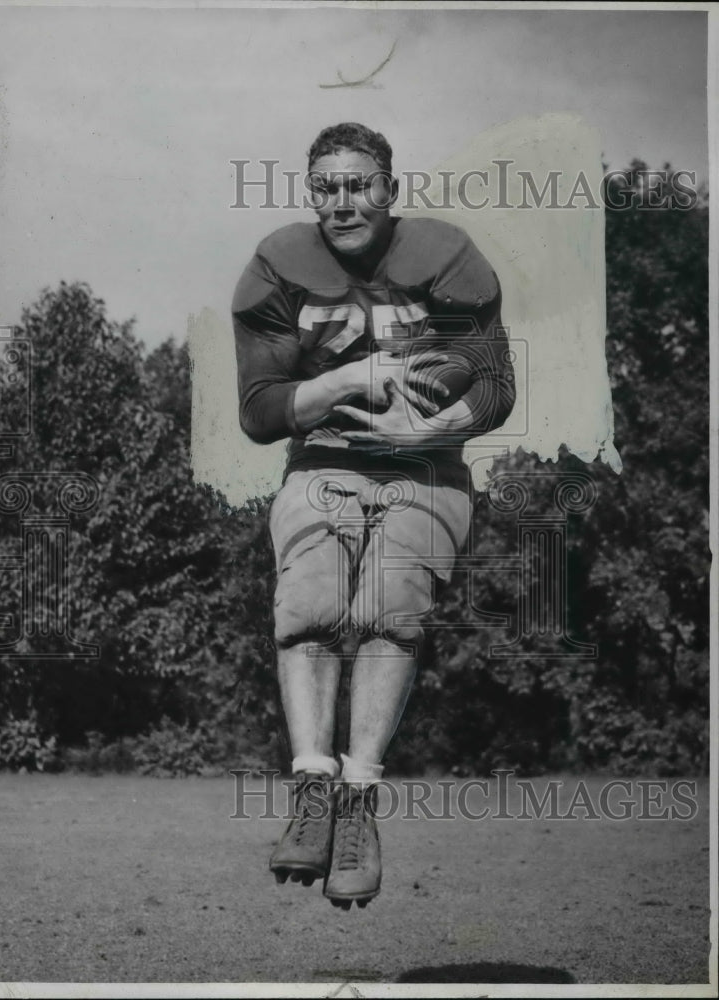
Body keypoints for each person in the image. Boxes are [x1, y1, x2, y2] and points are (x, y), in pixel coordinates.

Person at [231, 122, 515, 910]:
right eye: (326, 186)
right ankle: (314, 788)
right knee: (308, 609)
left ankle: (358, 802)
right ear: (310, 191)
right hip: (322, 458)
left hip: (426, 463)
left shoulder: (446, 255)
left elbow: (495, 387)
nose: (342, 201)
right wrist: (349, 379)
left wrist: (423, 429)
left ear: (390, 188)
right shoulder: (277, 264)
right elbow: (259, 412)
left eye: (359, 184)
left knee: (391, 611)